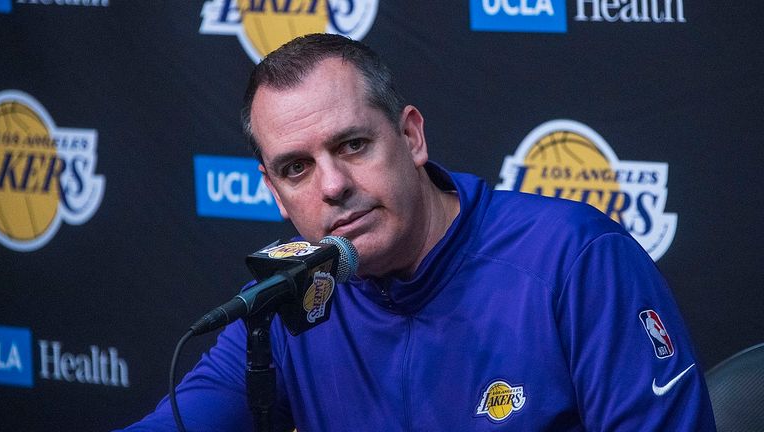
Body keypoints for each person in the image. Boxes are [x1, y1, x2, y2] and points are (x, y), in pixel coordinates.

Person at [119, 33, 715, 431]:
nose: (332, 185)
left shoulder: (573, 260)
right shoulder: (288, 300)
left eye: (353, 144)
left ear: (410, 137)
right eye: (295, 168)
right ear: (273, 191)